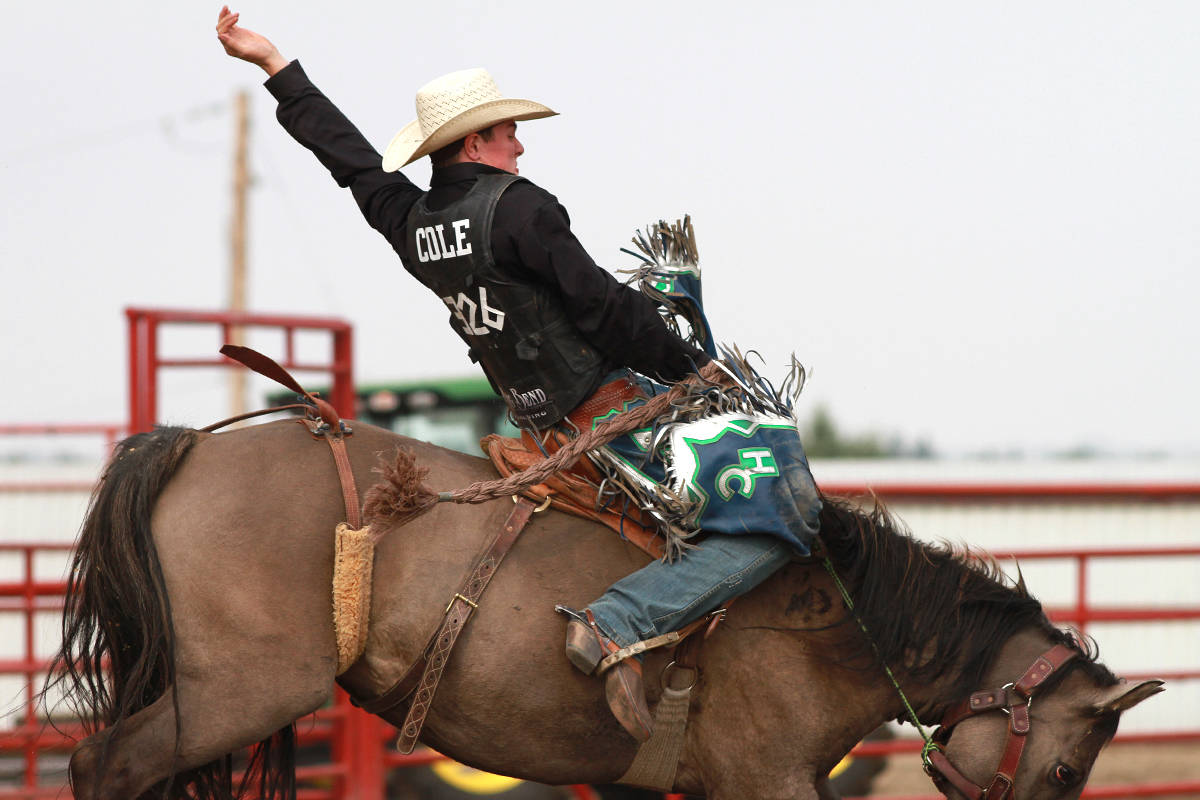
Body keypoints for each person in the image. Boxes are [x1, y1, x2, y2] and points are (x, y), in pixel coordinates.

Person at [216, 6, 816, 743]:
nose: (520, 146)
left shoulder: (411, 224)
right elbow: (599, 308)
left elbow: (352, 164)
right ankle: (620, 620)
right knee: (785, 516)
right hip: (606, 419)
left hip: (535, 424)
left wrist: (279, 70)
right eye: (508, 134)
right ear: (477, 142)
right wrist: (696, 364)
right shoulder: (523, 210)